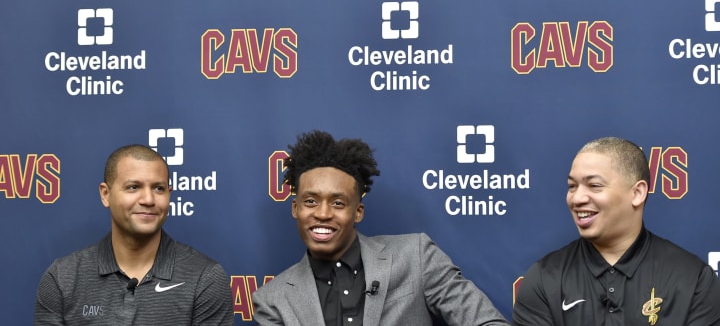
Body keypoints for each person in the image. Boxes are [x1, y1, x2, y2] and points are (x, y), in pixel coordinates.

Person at [252, 130, 508, 326]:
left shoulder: (416, 256)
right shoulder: (272, 300)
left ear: (358, 212)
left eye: (338, 202)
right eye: (310, 201)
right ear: (295, 208)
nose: (322, 213)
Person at [512, 137, 720, 325]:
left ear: (637, 193)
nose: (577, 198)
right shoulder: (544, 279)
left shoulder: (693, 279)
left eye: (594, 185)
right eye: (572, 186)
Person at [34, 144, 234, 325]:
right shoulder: (62, 278)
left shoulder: (205, 278)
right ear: (106, 194)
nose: (148, 199)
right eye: (133, 187)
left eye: (158, 188)